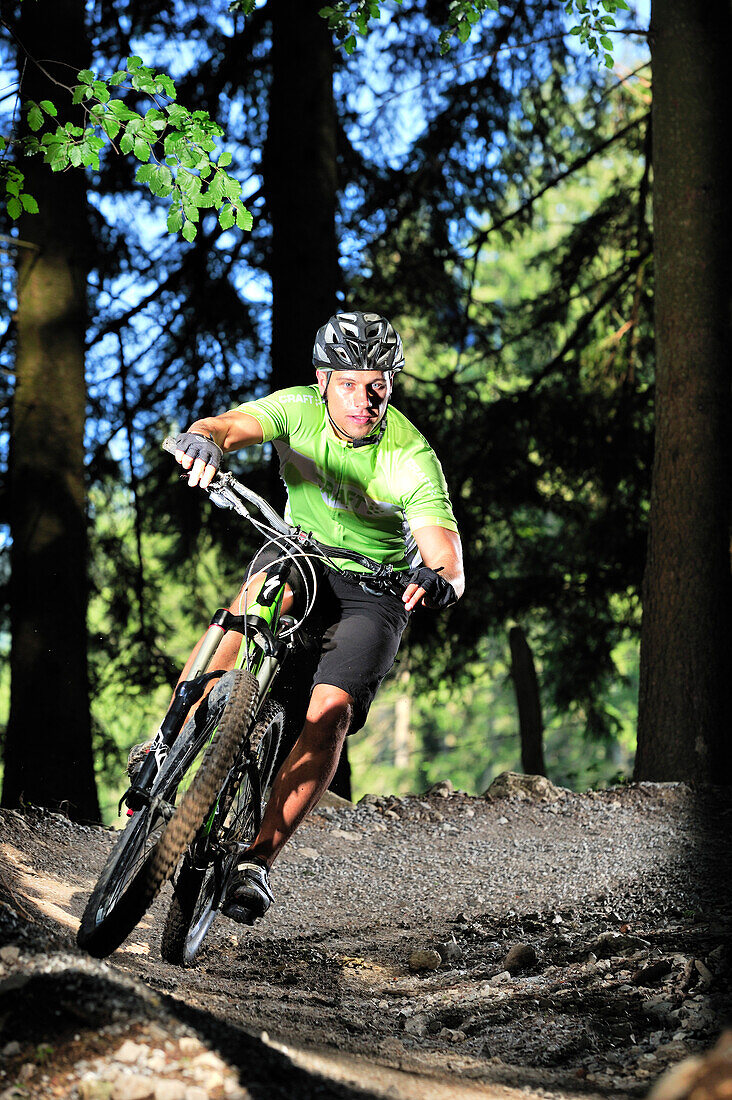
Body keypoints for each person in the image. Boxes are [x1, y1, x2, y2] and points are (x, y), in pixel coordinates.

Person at [170, 310, 464, 924]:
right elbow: (228, 425)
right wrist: (205, 440)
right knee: (243, 611)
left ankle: (256, 862)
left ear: (392, 383)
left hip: (375, 588)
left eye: (378, 383)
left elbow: (445, 554)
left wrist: (437, 580)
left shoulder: (411, 456)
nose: (364, 398)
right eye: (350, 383)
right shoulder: (297, 408)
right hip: (298, 549)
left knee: (329, 711)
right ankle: (164, 744)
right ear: (323, 379)